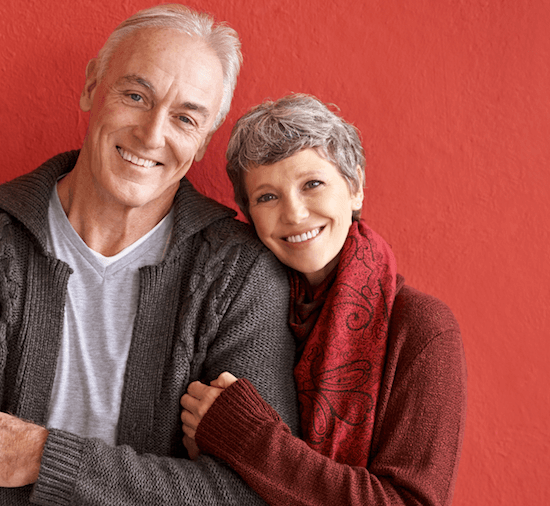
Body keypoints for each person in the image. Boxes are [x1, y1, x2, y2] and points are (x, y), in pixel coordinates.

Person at [0, 5, 299, 505]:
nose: (152, 135)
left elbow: (252, 492)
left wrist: (45, 457)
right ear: (91, 87)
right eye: (135, 95)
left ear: (203, 141)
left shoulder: (240, 273)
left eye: (185, 118)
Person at [180, 93, 467, 505]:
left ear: (355, 189)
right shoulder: (240, 312)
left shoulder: (422, 328)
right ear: (249, 214)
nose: (294, 213)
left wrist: (248, 440)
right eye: (267, 196)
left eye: (312, 184)